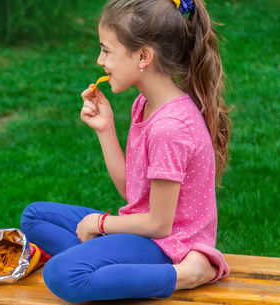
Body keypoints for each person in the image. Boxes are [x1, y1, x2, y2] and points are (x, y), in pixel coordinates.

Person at [20, 0, 232, 302]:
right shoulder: (144, 105)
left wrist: (101, 224)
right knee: (34, 216)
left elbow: (159, 225)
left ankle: (186, 275)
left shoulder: (170, 128)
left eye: (107, 50)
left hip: (169, 246)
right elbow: (132, 194)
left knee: (61, 274)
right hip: (143, 231)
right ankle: (107, 265)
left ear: (143, 56)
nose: (99, 60)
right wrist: (105, 130)